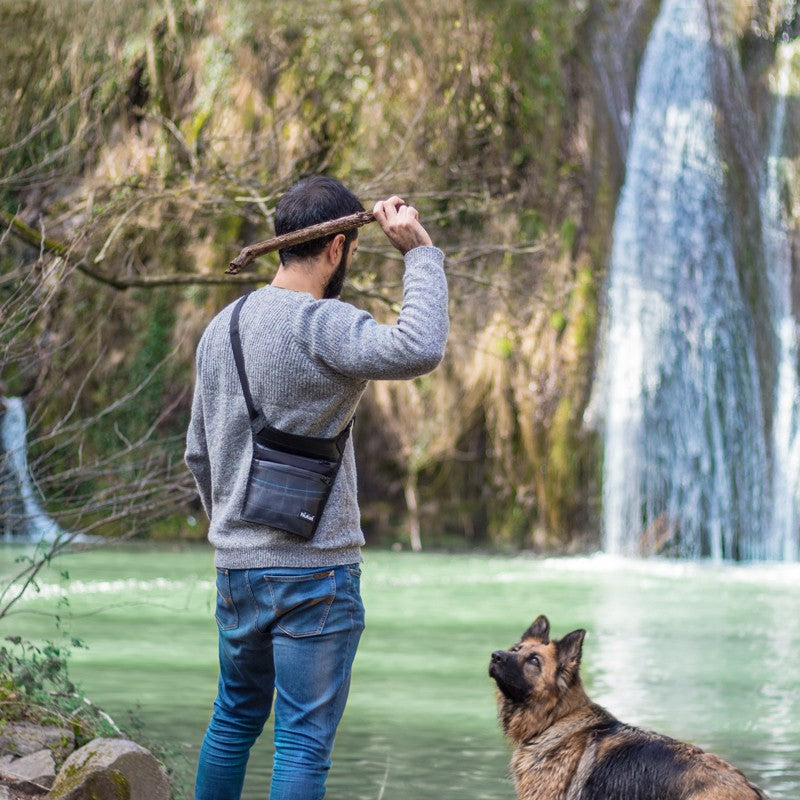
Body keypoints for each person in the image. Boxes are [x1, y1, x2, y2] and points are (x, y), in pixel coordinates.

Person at [184, 175, 449, 800]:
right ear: (337, 249)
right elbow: (420, 346)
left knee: (232, 720)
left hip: (237, 569)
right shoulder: (322, 324)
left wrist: (233, 536)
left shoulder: (220, 328)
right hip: (315, 573)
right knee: (301, 741)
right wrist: (419, 254)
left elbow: (197, 452)